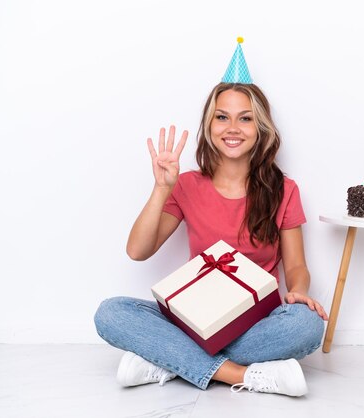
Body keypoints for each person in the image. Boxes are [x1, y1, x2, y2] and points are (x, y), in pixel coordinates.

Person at [93, 40, 327, 397]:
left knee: (307, 325)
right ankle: (240, 374)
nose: (232, 127)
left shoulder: (284, 189)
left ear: (260, 127)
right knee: (111, 313)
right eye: (222, 117)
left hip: (254, 322)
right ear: (209, 125)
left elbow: (296, 267)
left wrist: (298, 292)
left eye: (244, 118)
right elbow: (138, 251)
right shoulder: (185, 185)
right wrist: (160, 188)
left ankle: (166, 361)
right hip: (190, 321)